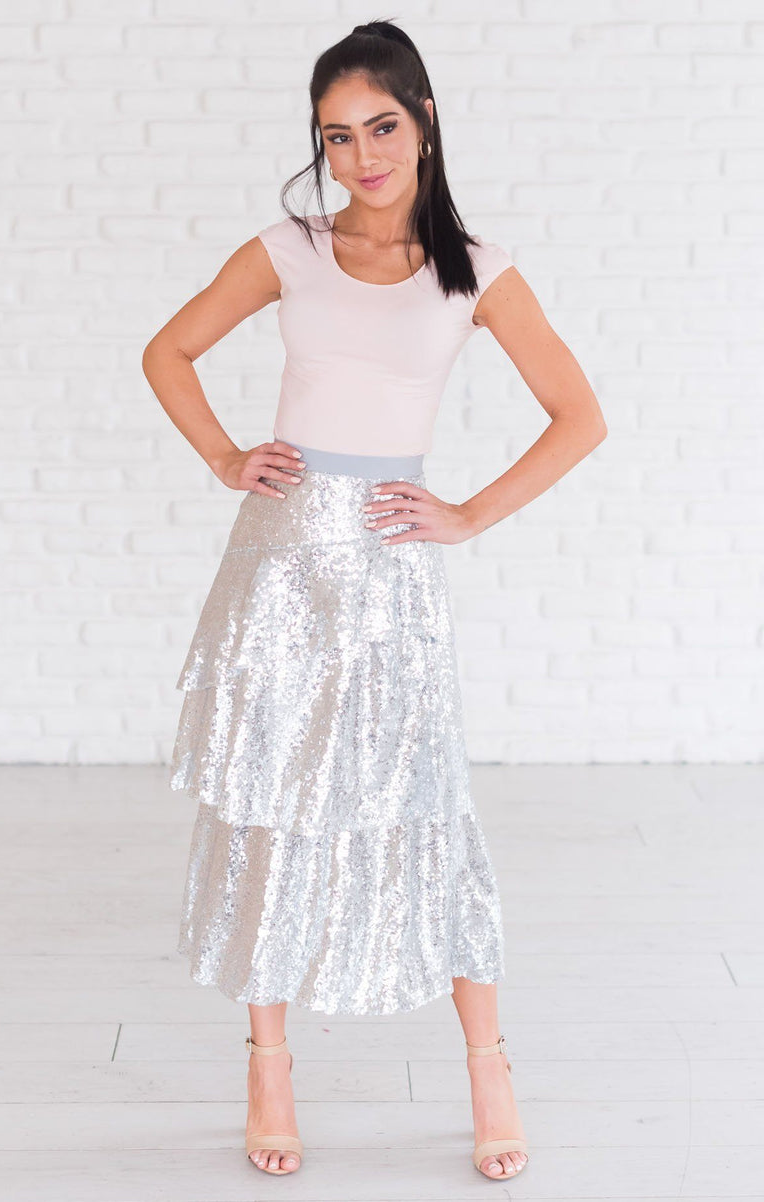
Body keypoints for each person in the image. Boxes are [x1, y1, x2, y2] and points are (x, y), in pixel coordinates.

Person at [142, 19, 606, 1185]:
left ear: (424, 119)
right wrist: (223, 455)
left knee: (426, 800)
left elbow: (579, 416)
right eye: (337, 136)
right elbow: (167, 352)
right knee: (270, 804)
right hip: (278, 564)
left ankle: (486, 1064)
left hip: (392, 573)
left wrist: (466, 513)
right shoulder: (288, 248)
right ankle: (267, 1062)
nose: (361, 156)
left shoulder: (474, 269)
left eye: (380, 127)